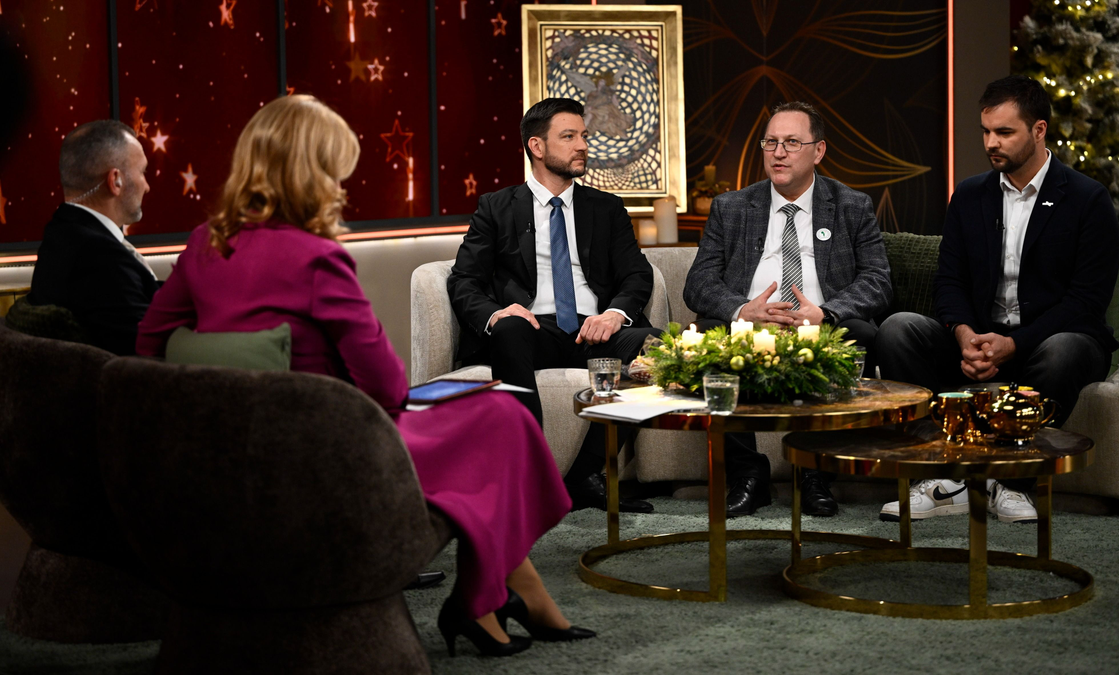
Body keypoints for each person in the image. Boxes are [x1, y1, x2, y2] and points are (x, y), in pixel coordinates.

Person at [136, 95, 594, 657]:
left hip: (228, 449)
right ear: (312, 173)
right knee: (501, 416)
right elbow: (385, 389)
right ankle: (489, 596)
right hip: (332, 448)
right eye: (335, 171)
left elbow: (149, 345)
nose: (340, 185)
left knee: (493, 413)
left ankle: (508, 595)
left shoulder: (203, 244)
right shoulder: (317, 258)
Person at [875, 75, 1119, 524]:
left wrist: (1015, 344)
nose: (991, 143)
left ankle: (1009, 482)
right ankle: (940, 476)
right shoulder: (971, 195)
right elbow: (949, 281)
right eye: (986, 131)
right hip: (982, 341)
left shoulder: (1087, 199)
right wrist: (965, 335)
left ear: (1039, 130)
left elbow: (1086, 301)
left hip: (1049, 344)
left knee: (1065, 348)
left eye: (1005, 132)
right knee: (898, 329)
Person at [447, 98, 662, 514]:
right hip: (533, 330)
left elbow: (636, 274)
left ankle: (585, 476)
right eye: (569, 137)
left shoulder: (606, 207)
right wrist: (497, 313)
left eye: (584, 136)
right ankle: (530, 477)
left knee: (656, 345)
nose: (582, 145)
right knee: (509, 330)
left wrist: (614, 314)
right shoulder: (497, 207)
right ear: (537, 146)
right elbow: (464, 280)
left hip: (593, 330)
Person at [683, 101, 892, 517]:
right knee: (705, 334)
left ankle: (815, 475)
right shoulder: (732, 207)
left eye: (792, 143)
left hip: (822, 325)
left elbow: (878, 280)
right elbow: (699, 283)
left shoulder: (851, 205)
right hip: (750, 329)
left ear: (818, 151)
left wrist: (826, 313)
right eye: (771, 142)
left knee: (862, 334)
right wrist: (742, 309)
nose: (778, 153)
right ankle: (748, 475)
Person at [26, 120, 158, 355]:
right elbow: (148, 347)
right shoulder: (101, 258)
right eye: (142, 172)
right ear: (115, 181)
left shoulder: (61, 233)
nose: (147, 187)